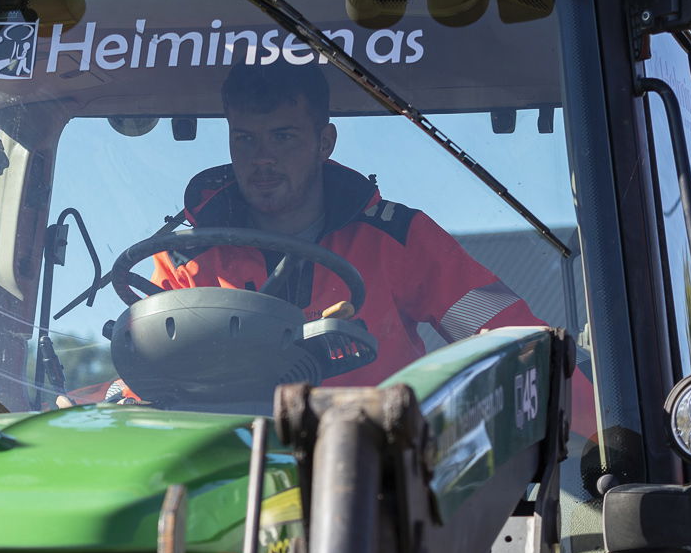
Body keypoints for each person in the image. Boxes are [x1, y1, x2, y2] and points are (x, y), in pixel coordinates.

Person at [151, 61, 537, 390]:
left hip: (377, 451)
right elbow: (145, 382)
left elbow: (514, 340)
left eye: (282, 137)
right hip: (230, 453)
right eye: (245, 139)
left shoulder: (398, 239)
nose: (262, 158)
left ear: (325, 142)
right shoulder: (185, 262)